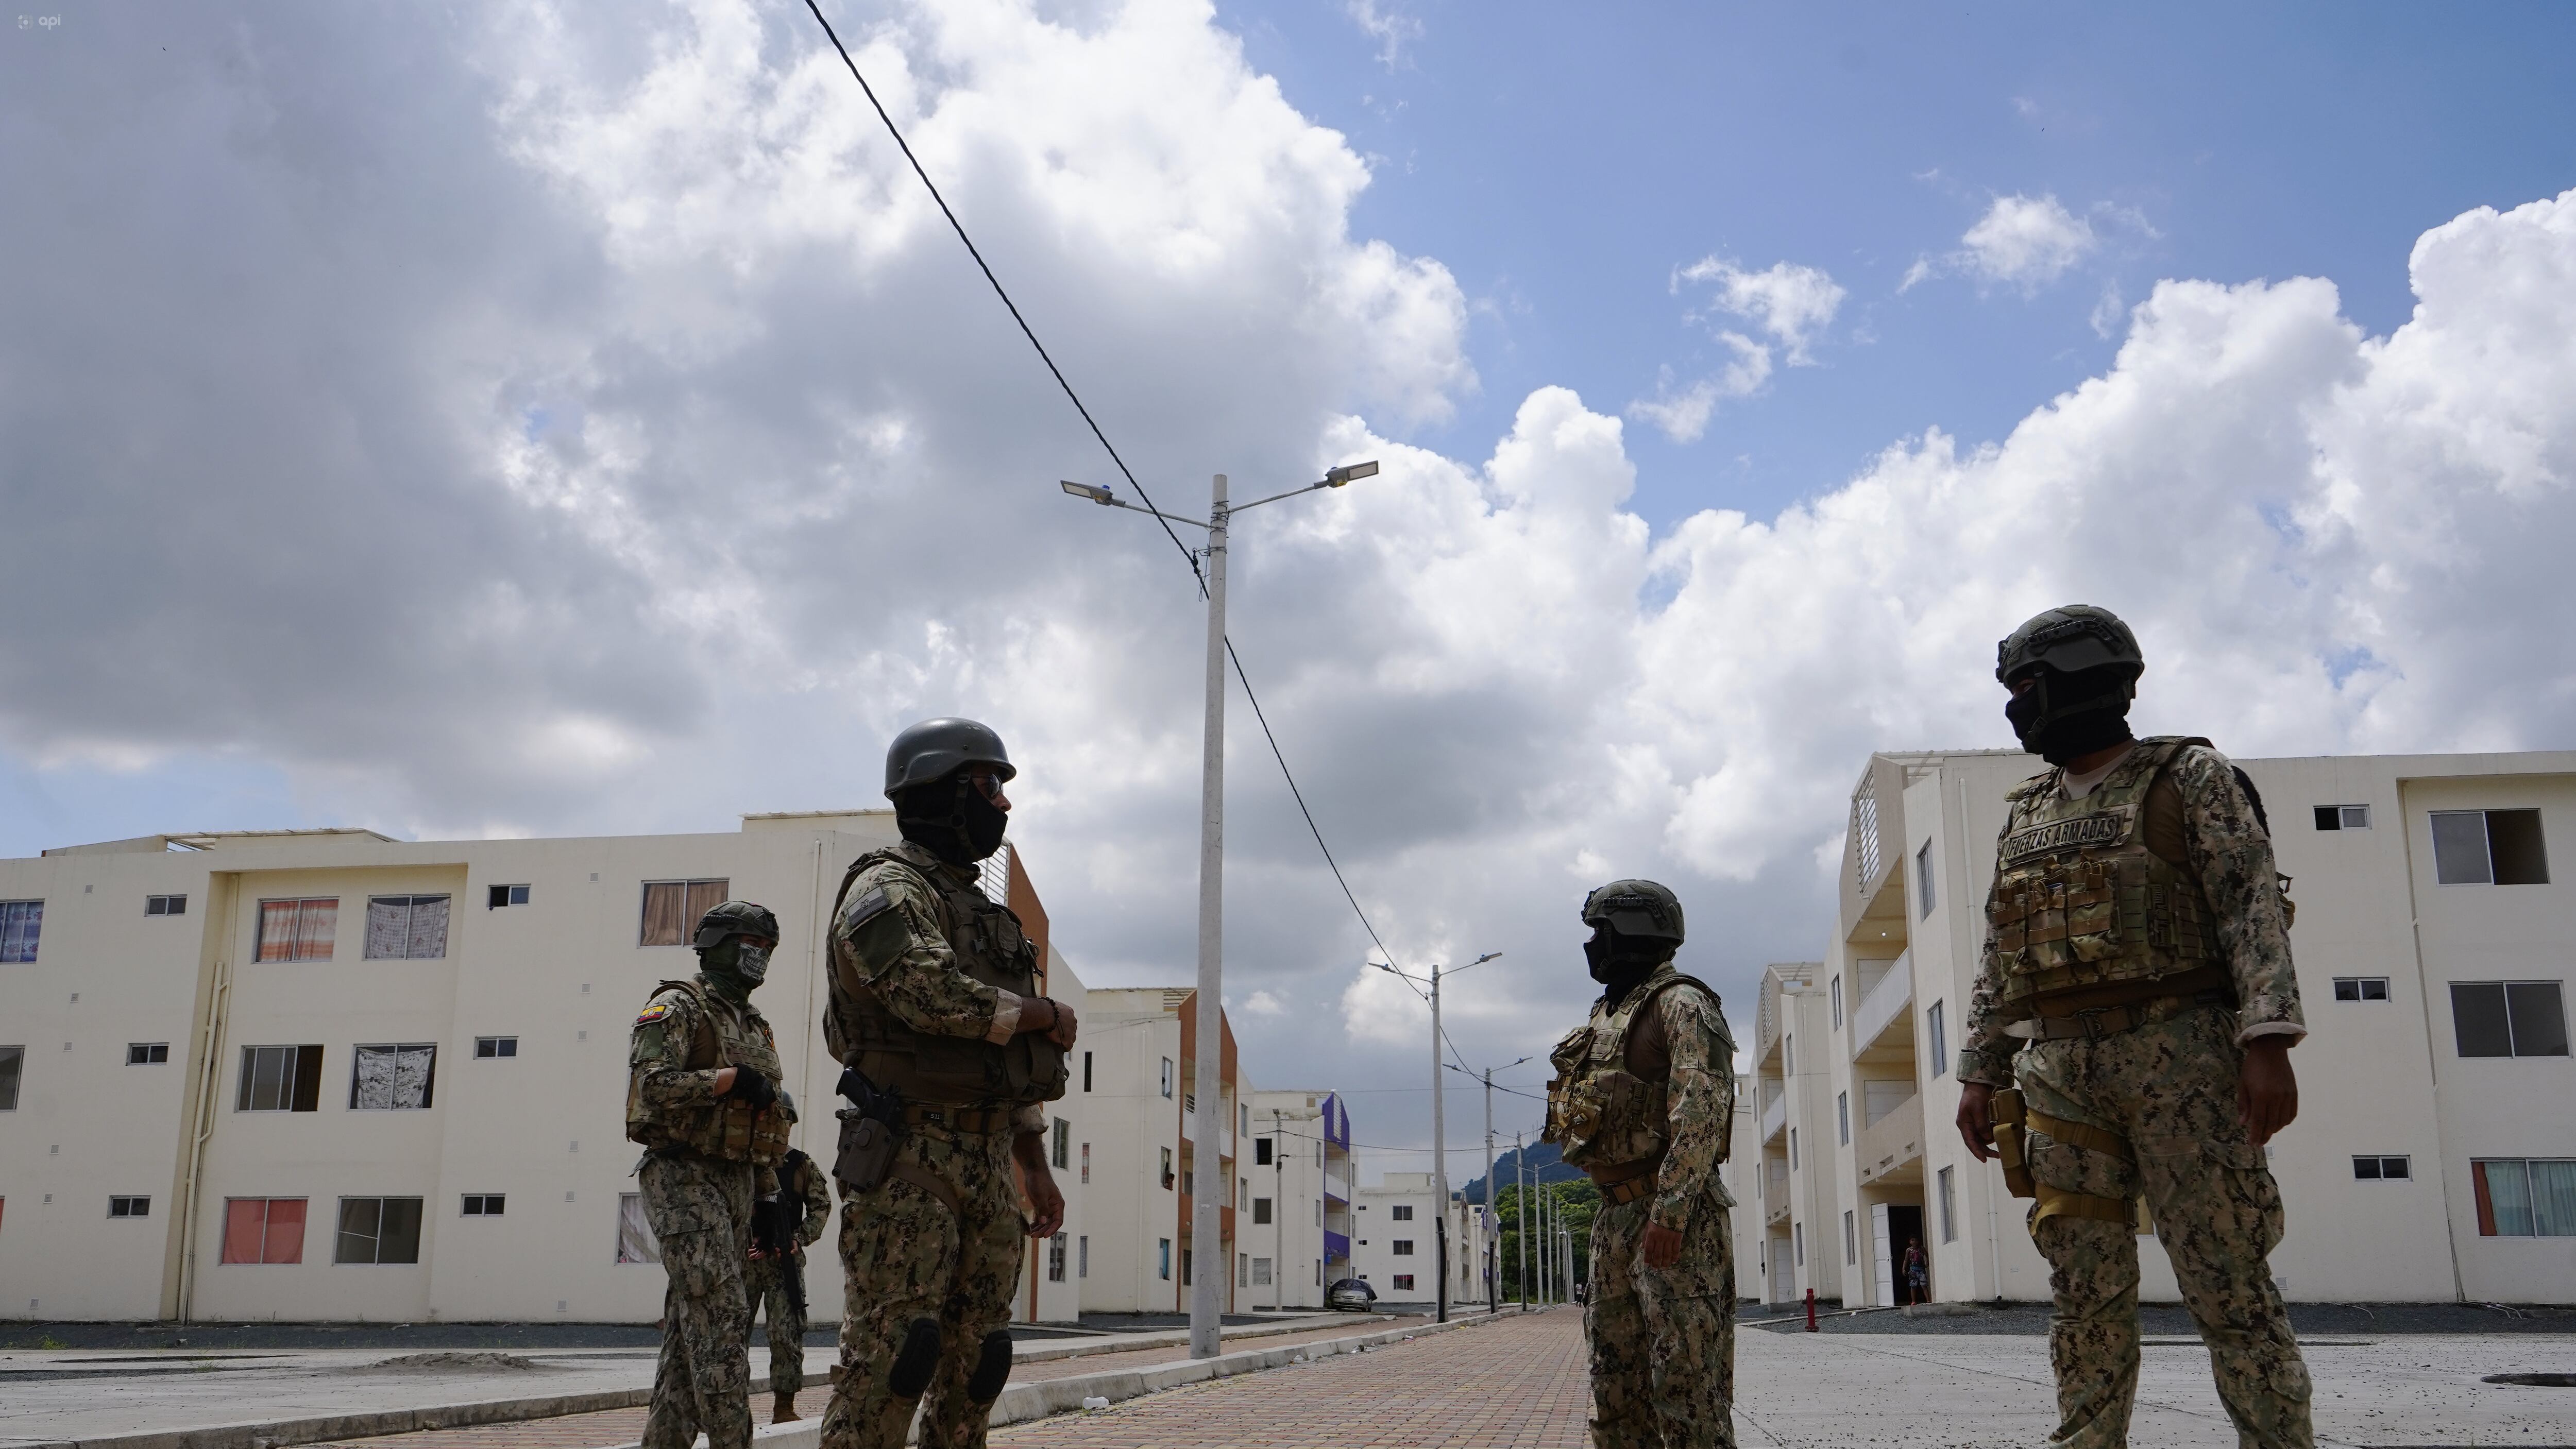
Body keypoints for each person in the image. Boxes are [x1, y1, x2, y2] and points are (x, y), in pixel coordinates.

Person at [1953, 605, 2312, 1449]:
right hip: (2061, 1068)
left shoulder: (2188, 777)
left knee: (2225, 1277)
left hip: (2182, 1056)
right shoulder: (2028, 809)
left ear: (2081, 673)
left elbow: (2250, 908)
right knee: (2084, 1286)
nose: (2017, 706)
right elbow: (2001, 948)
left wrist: (2267, 1044)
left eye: (2027, 685)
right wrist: (1980, 1068)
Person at [820, 718, 1076, 1449]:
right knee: (897, 1356)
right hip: (909, 1152)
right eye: (989, 785)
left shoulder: (982, 913)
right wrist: (1043, 1012)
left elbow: (1001, 1061)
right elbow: (926, 993)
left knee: (980, 1362)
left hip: (988, 1158)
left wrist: (1035, 1165)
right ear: (940, 790)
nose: (1001, 804)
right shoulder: (886, 889)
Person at [1544, 879, 1738, 1449]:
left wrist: (1671, 1214)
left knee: (1686, 1397)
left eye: (1598, 932)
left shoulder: (1682, 1003)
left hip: (1670, 1220)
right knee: (1615, 1390)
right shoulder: (1607, 1011)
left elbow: (1699, 1114)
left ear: (1631, 931)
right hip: (1616, 1217)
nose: (1591, 946)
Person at [626, 900, 795, 1449]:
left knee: (687, 1336)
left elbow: (762, 1118)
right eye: (751, 942)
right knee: (723, 1320)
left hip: (739, 1181)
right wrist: (724, 1080)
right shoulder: (678, 1004)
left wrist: (770, 1198)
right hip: (682, 1172)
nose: (760, 955)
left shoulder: (755, 1024)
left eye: (768, 947)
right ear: (718, 942)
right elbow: (652, 1085)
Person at [744, 1124, 834, 1423]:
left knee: (786, 1335)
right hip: (744, 1261)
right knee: (730, 1335)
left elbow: (821, 1205)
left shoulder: (800, 1164)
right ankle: (729, 1408)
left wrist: (799, 1237)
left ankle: (784, 1408)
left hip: (785, 1263)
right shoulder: (740, 1158)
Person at [1901, 1239, 1928, 1306]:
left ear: (1918, 1241)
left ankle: (1928, 1300)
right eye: (1912, 1241)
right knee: (1913, 1286)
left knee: (1924, 1285)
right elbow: (1906, 1260)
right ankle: (1913, 1301)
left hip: (1921, 1269)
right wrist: (1904, 1268)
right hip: (1913, 1270)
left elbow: (1926, 1255)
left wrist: (1927, 1263)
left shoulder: (1921, 1248)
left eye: (1916, 1240)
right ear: (1910, 1242)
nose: (1914, 1242)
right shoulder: (1909, 1250)